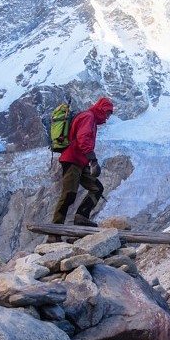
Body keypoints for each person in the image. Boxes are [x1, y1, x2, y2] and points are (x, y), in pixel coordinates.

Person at [50, 97, 114, 236]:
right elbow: (83, 138)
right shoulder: (88, 117)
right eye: (108, 113)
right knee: (69, 195)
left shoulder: (91, 119)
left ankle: (81, 217)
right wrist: (93, 160)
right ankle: (54, 233)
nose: (107, 117)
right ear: (102, 109)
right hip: (72, 159)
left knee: (97, 188)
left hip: (80, 161)